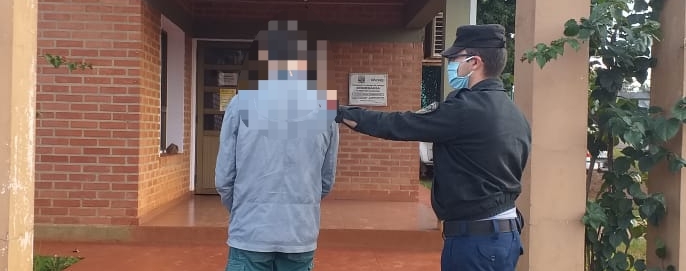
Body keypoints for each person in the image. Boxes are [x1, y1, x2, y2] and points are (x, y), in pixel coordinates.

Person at [335, 24, 531, 271]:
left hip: (475, 243)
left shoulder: (466, 109)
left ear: (474, 62)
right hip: (504, 237)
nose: (449, 63)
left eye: (454, 58)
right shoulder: (514, 113)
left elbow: (401, 125)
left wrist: (341, 112)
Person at [215, 20, 339, 271]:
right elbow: (326, 180)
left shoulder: (240, 104)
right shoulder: (326, 107)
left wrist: (243, 207)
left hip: (250, 232)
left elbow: (224, 178)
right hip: (299, 233)